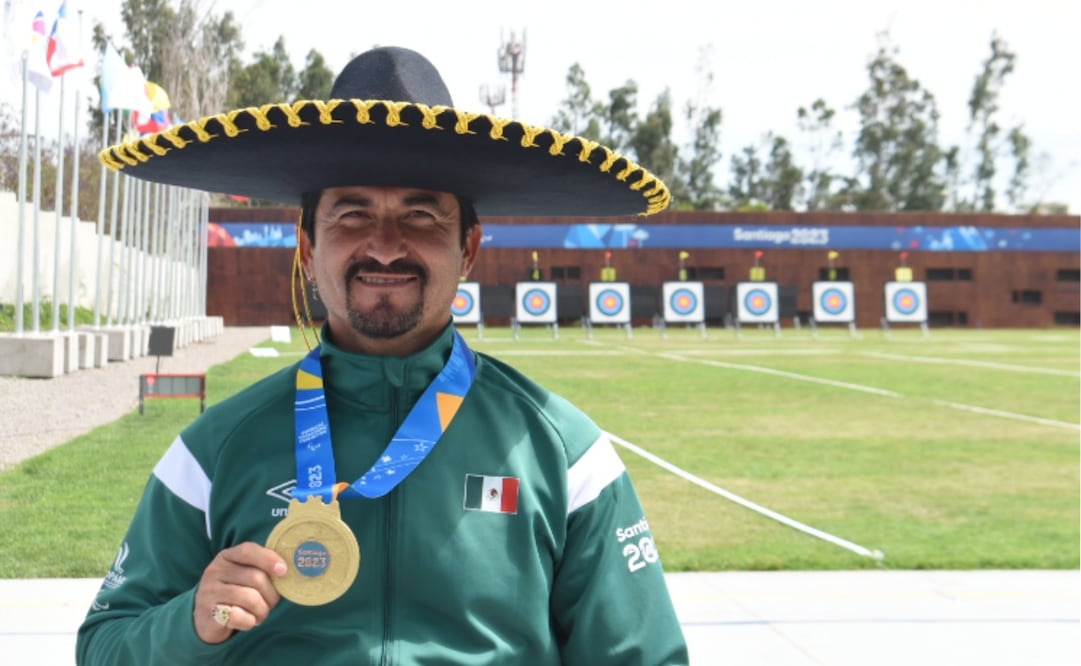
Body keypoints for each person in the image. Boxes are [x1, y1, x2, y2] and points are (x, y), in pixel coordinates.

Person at [77, 46, 687, 665]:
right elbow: (102, 647)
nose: (386, 246)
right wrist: (191, 622)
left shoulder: (563, 453)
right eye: (353, 214)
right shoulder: (214, 451)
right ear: (308, 248)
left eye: (421, 215)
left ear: (468, 247)